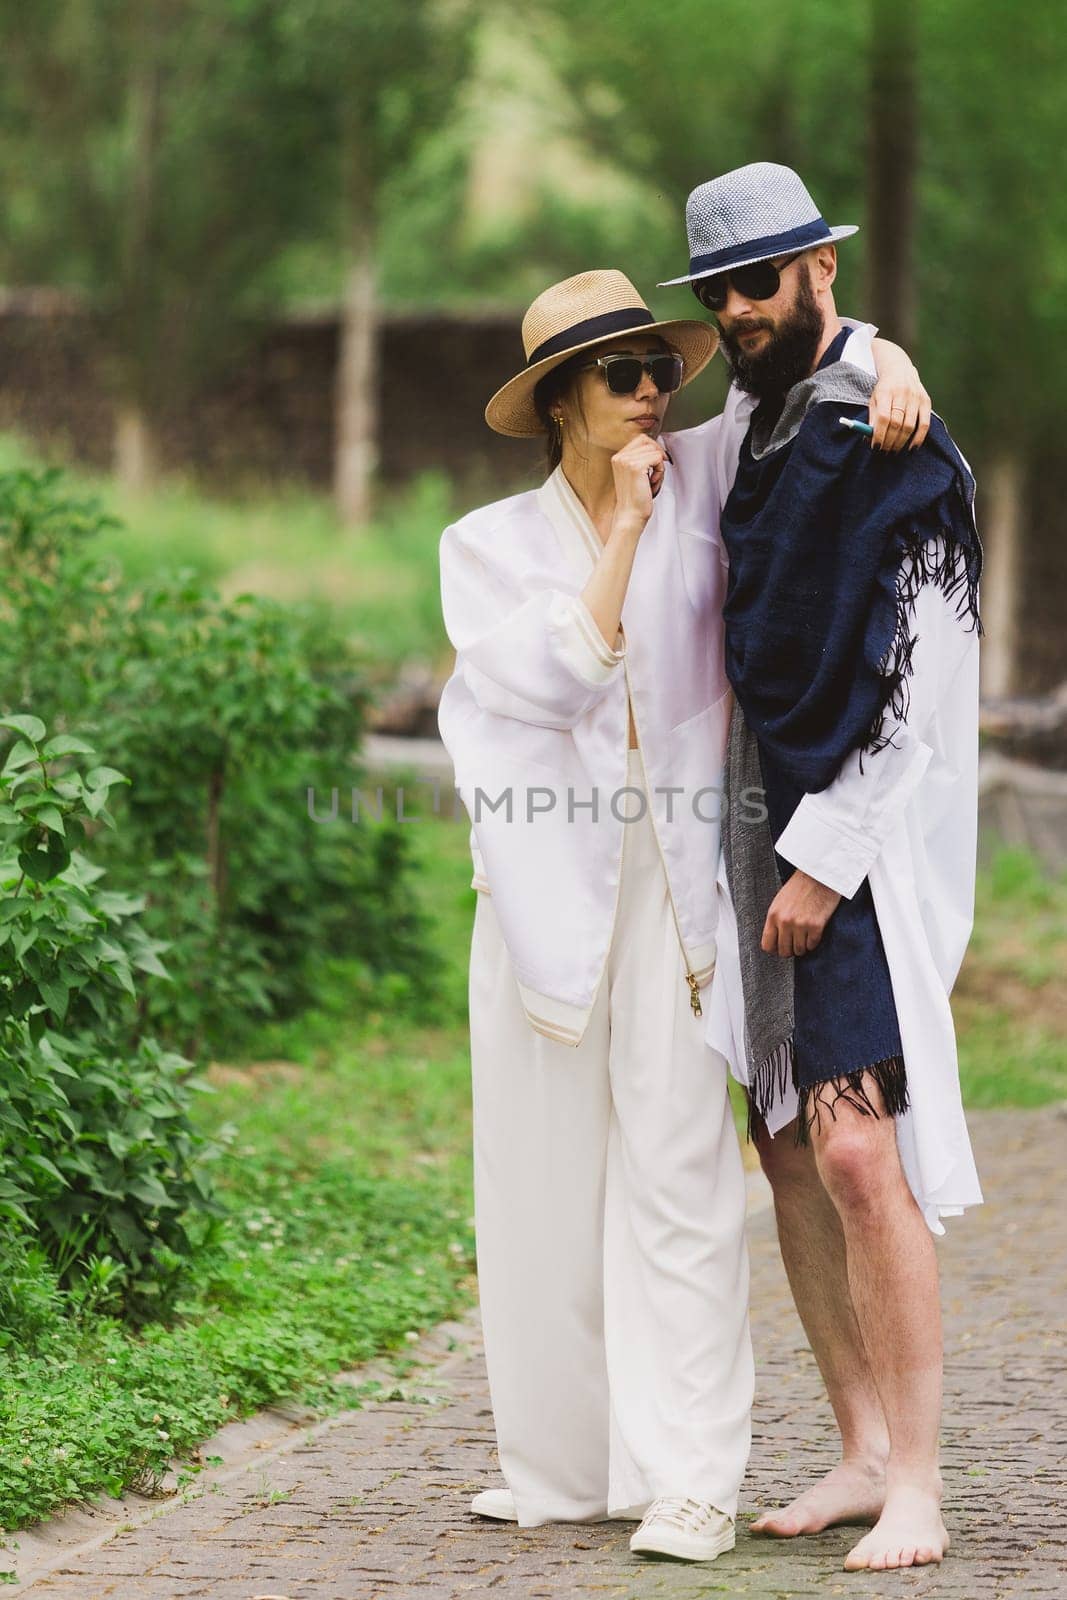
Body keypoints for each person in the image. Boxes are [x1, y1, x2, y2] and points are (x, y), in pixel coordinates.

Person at [436, 266, 927, 1563]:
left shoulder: (706, 474)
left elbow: (813, 377)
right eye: (623, 376)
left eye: (661, 371)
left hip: (682, 895)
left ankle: (692, 1475)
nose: (654, 394)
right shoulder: (482, 547)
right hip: (541, 896)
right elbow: (546, 685)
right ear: (561, 403)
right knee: (539, 1188)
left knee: (681, 1177)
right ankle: (563, 1464)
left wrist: (888, 356)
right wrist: (622, 540)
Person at [660, 162, 984, 1572]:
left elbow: (927, 685)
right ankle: (857, 1446)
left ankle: (918, 1479)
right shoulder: (755, 423)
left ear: (821, 271)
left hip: (854, 838)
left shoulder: (894, 434)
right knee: (785, 1145)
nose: (736, 307)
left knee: (858, 1148)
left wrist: (829, 859)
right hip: (751, 828)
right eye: (718, 288)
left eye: (760, 280)